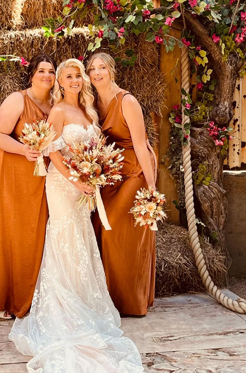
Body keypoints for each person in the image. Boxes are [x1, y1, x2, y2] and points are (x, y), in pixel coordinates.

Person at [9, 58, 144, 372]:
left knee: (81, 239)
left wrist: (94, 175)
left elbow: (94, 151)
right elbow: (51, 151)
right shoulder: (57, 111)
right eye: (68, 76)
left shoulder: (89, 112)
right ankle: (65, 309)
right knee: (65, 236)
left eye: (78, 75)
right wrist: (76, 180)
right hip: (63, 185)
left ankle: (85, 302)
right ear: (60, 81)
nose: (75, 80)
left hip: (84, 185)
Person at [0, 54, 56, 319]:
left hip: (42, 176)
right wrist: (24, 150)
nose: (47, 75)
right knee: (14, 232)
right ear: (31, 74)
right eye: (41, 70)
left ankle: (34, 296)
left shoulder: (57, 104)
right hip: (14, 172)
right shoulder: (17, 99)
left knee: (38, 235)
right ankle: (5, 300)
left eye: (51, 71)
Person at [88, 52, 158, 317]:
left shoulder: (127, 101)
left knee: (114, 228)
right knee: (97, 225)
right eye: (92, 68)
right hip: (112, 170)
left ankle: (128, 300)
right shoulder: (92, 101)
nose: (97, 73)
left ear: (112, 70)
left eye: (102, 67)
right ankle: (105, 298)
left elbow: (141, 145)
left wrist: (151, 187)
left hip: (136, 169)